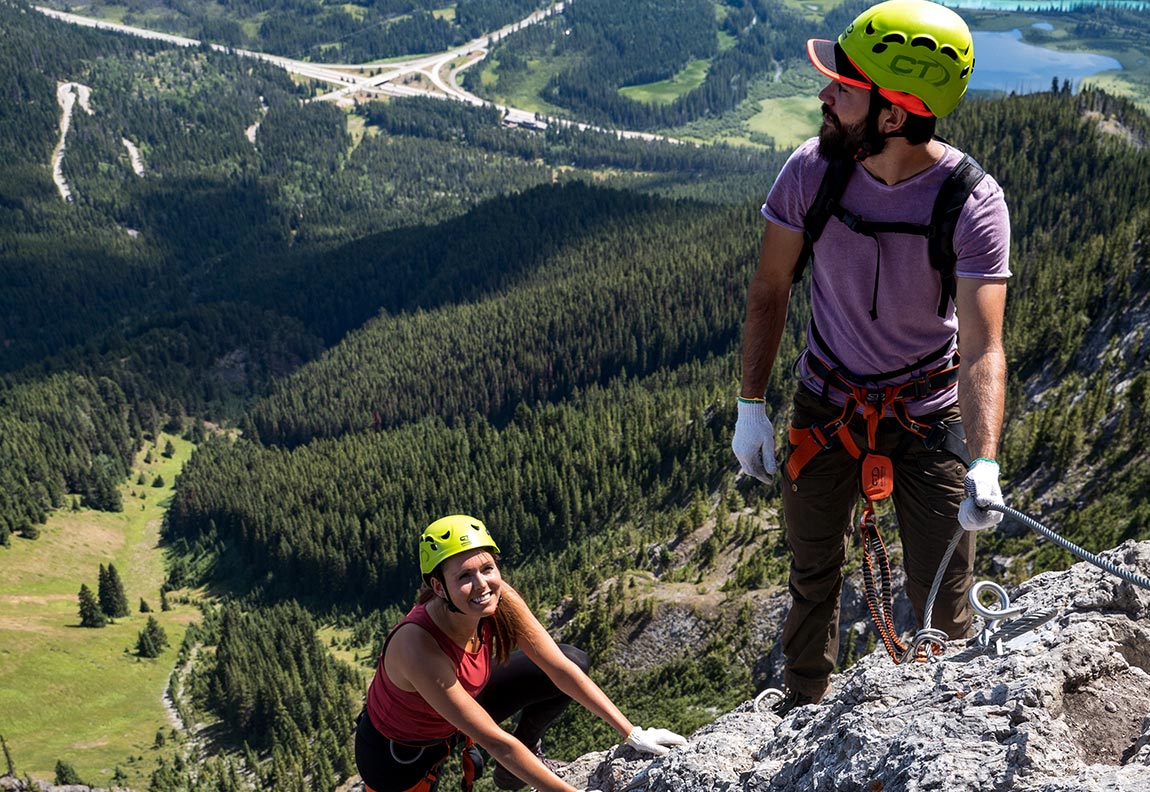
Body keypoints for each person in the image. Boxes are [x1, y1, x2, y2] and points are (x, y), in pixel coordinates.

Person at [731, 0, 1010, 715]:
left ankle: (940, 718)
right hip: (828, 400)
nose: (824, 96)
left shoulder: (971, 201)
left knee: (943, 597)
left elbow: (982, 346)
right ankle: (802, 707)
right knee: (812, 571)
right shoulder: (812, 171)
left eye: (844, 88)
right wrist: (751, 406)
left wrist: (982, 461)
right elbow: (770, 290)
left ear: (892, 115)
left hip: (926, 415)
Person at [355, 514, 688, 792]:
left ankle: (523, 757)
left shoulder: (497, 600)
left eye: (487, 568)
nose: (482, 584)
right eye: (464, 577)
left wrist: (631, 732)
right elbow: (498, 744)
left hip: (458, 709)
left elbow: (558, 669)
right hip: (401, 756)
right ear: (439, 587)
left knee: (574, 660)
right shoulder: (417, 646)